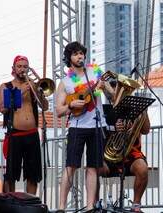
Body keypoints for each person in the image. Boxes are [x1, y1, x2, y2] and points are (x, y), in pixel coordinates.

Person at [56, 41, 114, 212]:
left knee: (93, 167)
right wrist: (71, 105)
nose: (79, 56)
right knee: (71, 166)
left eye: (81, 53)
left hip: (97, 125)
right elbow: (59, 110)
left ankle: (89, 207)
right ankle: (61, 207)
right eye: (75, 53)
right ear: (69, 58)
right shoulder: (65, 82)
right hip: (77, 127)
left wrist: (105, 88)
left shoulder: (95, 71)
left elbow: (111, 95)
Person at [0, 55, 49, 195]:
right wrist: (20, 93)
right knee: (11, 175)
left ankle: (30, 205)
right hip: (15, 135)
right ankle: (11, 204)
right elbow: (3, 108)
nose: (22, 69)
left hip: (32, 135)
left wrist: (40, 92)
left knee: (33, 174)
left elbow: (44, 107)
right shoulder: (6, 86)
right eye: (19, 66)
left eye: (25, 66)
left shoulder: (32, 85)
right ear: (13, 68)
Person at [100, 111, 150, 213]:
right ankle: (95, 203)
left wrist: (144, 111)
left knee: (142, 169)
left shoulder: (136, 110)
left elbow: (145, 130)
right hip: (109, 154)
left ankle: (136, 205)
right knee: (94, 168)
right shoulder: (106, 109)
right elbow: (98, 128)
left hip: (131, 153)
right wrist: (113, 127)